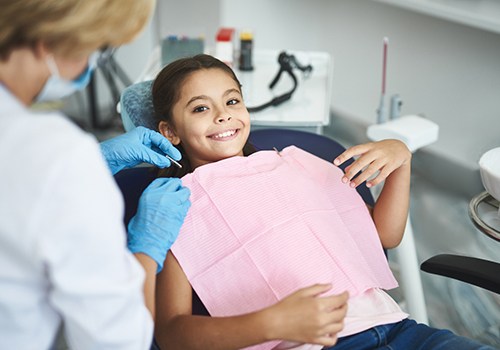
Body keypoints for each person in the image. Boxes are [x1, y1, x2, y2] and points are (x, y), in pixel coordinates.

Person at [149, 54, 494, 350]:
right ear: (170, 132)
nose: (223, 115)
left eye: (232, 101)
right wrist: (271, 324)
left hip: (402, 330)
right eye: (201, 108)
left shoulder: (298, 164)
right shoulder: (177, 206)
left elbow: (383, 236)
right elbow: (171, 333)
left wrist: (401, 160)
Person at [0, 0, 190, 349]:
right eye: (94, 47)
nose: (87, 65)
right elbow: (120, 341)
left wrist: (95, 162)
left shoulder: (52, 157)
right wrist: (146, 250)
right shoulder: (57, 156)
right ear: (53, 41)